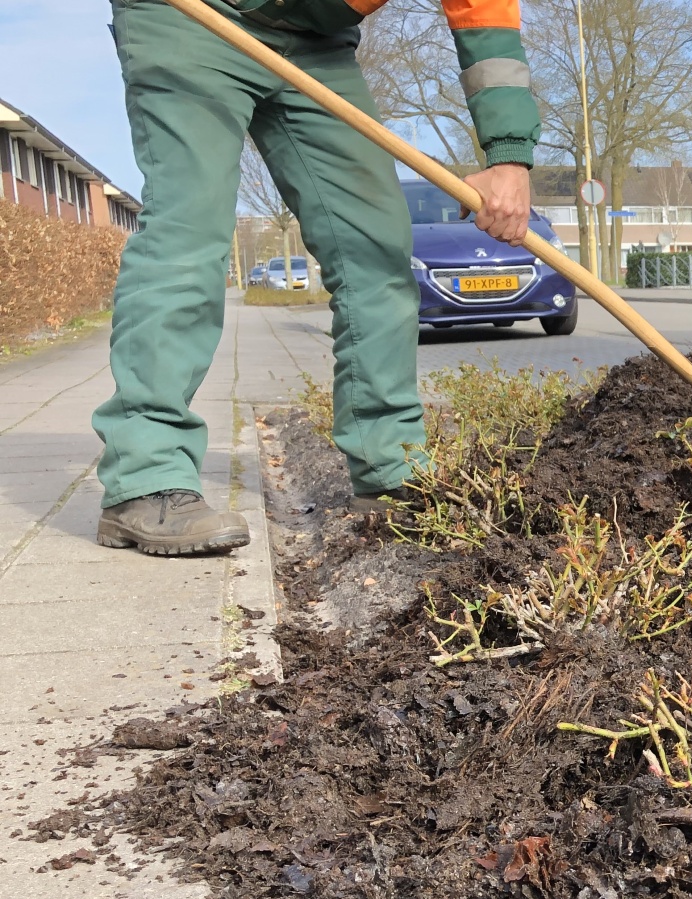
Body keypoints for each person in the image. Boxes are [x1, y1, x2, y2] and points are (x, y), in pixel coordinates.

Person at [94, 0, 541, 556]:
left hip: (317, 42)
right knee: (190, 230)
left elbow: (486, 20)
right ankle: (146, 477)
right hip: (193, 16)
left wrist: (508, 155)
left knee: (376, 247)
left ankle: (391, 467)